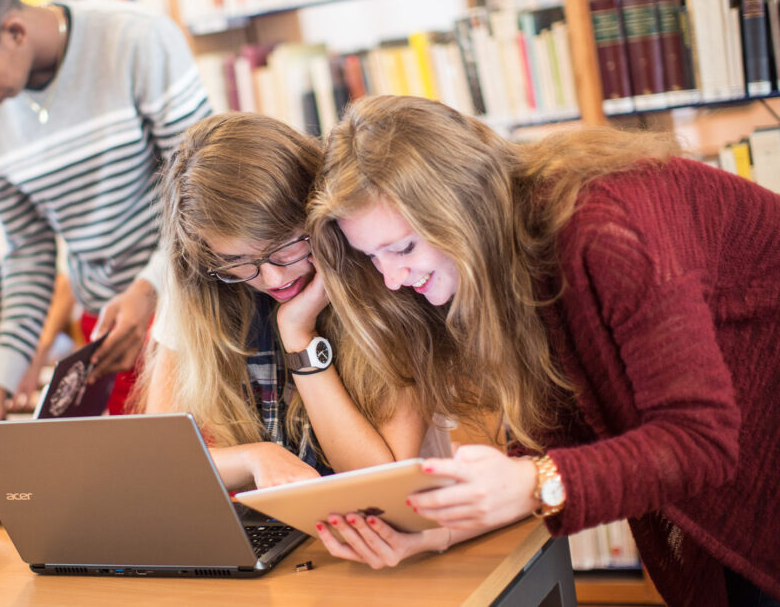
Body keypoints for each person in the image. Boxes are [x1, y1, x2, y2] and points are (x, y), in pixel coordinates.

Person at [305, 95, 780, 605]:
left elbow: (700, 441)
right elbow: (561, 432)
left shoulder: (607, 231)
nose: (393, 279)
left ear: (462, 206)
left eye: (403, 248)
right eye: (372, 257)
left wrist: (534, 481)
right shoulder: (516, 249)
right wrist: (441, 530)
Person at [0, 0, 211, 425]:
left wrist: (151, 289)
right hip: (108, 334)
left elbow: (207, 197)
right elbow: (28, 252)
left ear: (15, 32)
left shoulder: (138, 41)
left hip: (195, 311)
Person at [138, 112, 450, 491]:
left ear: (316, 209)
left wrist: (299, 336)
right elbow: (161, 457)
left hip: (409, 524)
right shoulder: (203, 286)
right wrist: (256, 457)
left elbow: (382, 480)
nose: (274, 278)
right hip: (293, 531)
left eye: (284, 246)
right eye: (237, 262)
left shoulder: (384, 270)